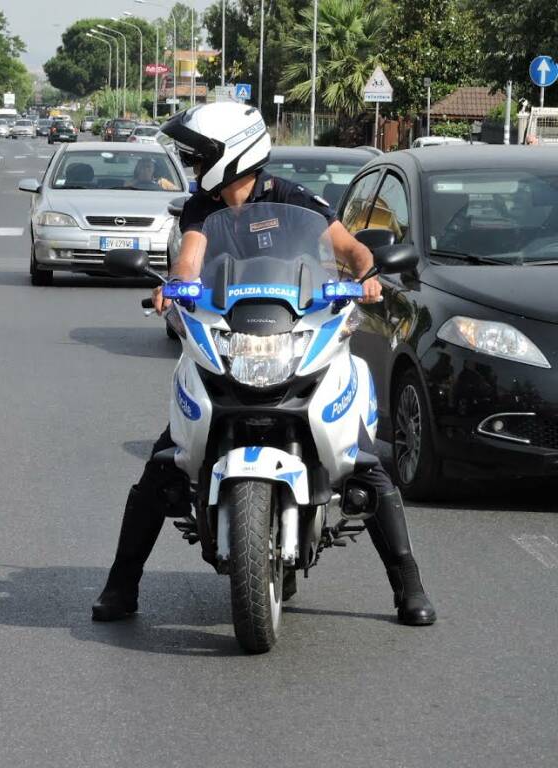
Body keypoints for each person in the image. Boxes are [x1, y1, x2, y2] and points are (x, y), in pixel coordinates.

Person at [92, 102, 437, 628]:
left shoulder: (296, 199)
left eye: (199, 154)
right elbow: (190, 258)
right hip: (233, 337)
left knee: (365, 465)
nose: (191, 162)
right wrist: (174, 287)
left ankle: (409, 586)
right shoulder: (201, 210)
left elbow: (350, 250)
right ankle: (121, 586)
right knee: (164, 464)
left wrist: (368, 274)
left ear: (229, 153)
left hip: (294, 334)